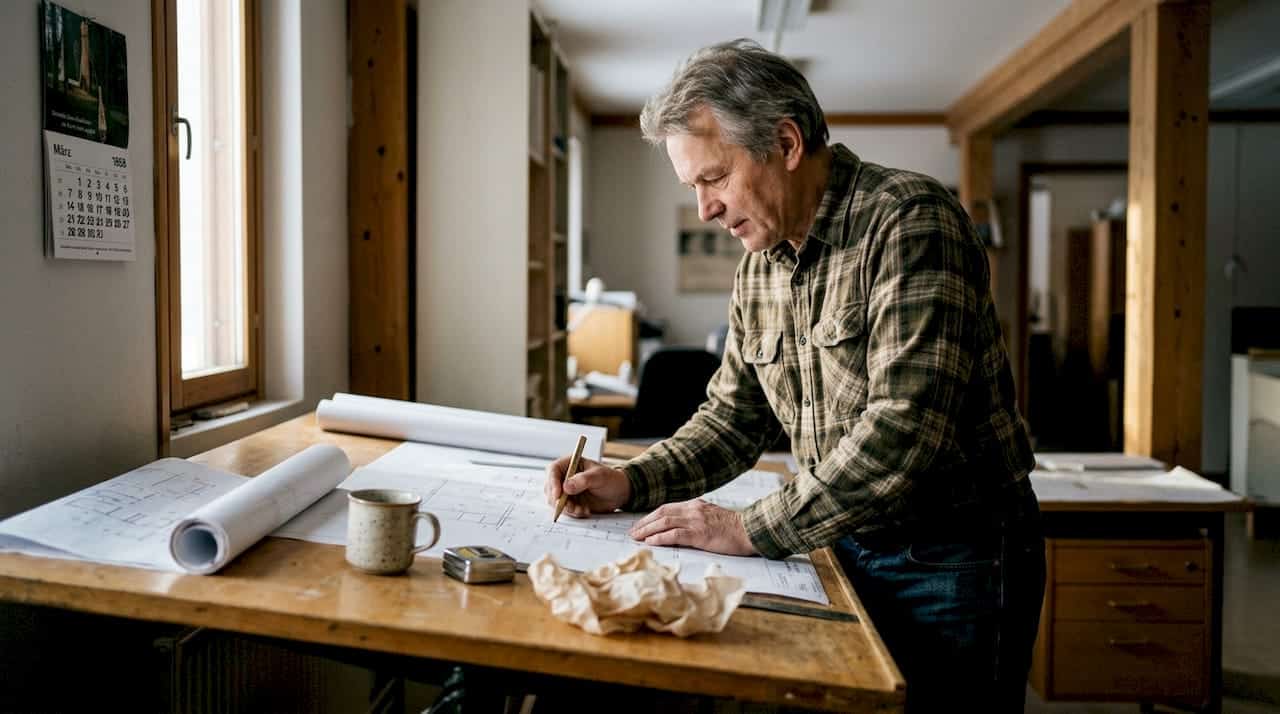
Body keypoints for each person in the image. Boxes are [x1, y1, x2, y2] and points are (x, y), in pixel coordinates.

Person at [544, 39, 1044, 712]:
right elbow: (731, 418)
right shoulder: (760, 267)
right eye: (693, 187)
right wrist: (631, 480)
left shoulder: (909, 221)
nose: (704, 210)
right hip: (837, 539)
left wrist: (749, 527)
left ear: (785, 142)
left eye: (713, 178)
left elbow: (905, 431)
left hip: (952, 555)